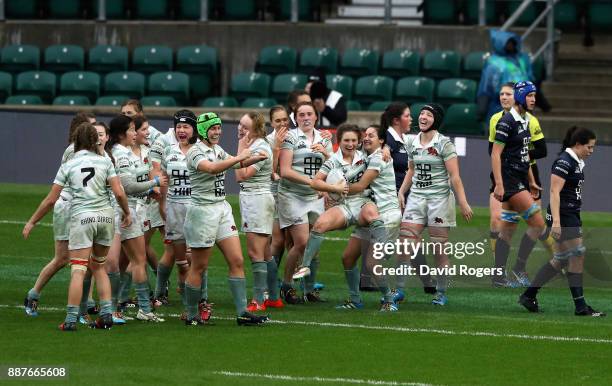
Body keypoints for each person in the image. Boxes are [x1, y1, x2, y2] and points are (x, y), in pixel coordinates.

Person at [23, 122, 131, 331]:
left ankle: (71, 320)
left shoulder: (69, 165)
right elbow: (119, 193)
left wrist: (32, 221)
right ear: (94, 140)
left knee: (78, 270)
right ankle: (106, 314)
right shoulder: (105, 161)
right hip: (106, 217)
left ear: (76, 141)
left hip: (83, 218)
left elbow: (50, 200)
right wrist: (127, 213)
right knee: (99, 267)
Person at [182, 112, 269, 326]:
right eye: (213, 128)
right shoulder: (194, 152)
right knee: (199, 267)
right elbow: (212, 169)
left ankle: (241, 313)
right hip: (202, 212)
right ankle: (191, 314)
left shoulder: (216, 149)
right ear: (203, 130)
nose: (217, 132)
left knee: (237, 260)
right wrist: (241, 157)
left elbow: (233, 163)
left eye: (219, 128)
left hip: (221, 209)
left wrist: (255, 158)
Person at [519, 127, 605, 317]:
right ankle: (580, 306)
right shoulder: (564, 162)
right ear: (577, 144)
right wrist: (556, 222)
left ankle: (528, 295)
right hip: (564, 216)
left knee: (562, 258)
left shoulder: (576, 161)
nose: (591, 151)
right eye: (589, 147)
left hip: (569, 213)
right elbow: (554, 192)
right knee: (577, 255)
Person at [398, 103, 473, 306]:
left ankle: (440, 293)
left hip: (439, 201)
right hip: (416, 198)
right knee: (405, 244)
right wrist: (402, 192)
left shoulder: (444, 144)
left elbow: (455, 176)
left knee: (439, 249)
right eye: (421, 113)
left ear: (436, 120)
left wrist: (463, 203)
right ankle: (399, 290)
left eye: (428, 115)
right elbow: (411, 170)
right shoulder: (412, 142)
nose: (423, 117)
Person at [23, 112, 96, 317]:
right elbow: (57, 192)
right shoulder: (74, 152)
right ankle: (33, 294)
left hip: (84, 209)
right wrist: (32, 221)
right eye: (91, 127)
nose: (96, 130)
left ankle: (87, 301)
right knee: (62, 258)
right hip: (68, 207)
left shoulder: (95, 152)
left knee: (89, 259)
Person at [488, 82, 554, 287]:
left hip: (520, 180)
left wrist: (532, 181)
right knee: (538, 224)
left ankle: (498, 277)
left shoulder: (525, 120)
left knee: (507, 229)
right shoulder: (507, 121)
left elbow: (523, 154)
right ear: (521, 96)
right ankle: (518, 269)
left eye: (535, 96)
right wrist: (499, 184)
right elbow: (495, 154)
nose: (534, 99)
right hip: (510, 181)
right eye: (530, 95)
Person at [110, 114, 168, 322]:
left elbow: (133, 182)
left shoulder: (122, 153)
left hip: (127, 209)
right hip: (126, 212)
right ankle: (142, 308)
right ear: (122, 134)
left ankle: (115, 306)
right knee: (137, 260)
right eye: (132, 130)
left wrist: (147, 188)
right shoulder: (122, 154)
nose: (135, 134)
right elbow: (127, 187)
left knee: (122, 261)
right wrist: (154, 182)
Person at [277, 102, 333, 304]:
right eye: (301, 114)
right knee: (301, 242)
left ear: (316, 117)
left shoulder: (324, 138)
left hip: (315, 198)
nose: (306, 117)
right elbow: (285, 171)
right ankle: (287, 286)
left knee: (313, 247)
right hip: (292, 195)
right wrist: (314, 182)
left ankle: (309, 290)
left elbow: (332, 166)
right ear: (296, 118)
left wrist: (324, 185)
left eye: (309, 114)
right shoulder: (291, 137)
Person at [380, 102, 435, 298]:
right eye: (407, 116)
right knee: (401, 241)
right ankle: (421, 280)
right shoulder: (388, 138)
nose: (411, 119)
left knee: (409, 239)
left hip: (407, 197)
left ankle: (419, 281)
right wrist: (384, 148)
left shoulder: (405, 139)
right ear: (396, 120)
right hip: (391, 198)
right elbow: (381, 148)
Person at [235, 112, 278, 312]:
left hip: (257, 200)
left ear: (256, 130)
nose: (240, 129)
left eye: (245, 127)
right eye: (240, 124)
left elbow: (241, 176)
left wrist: (240, 149)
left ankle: (259, 300)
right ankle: (274, 297)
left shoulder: (259, 148)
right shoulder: (255, 145)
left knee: (255, 253)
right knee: (266, 251)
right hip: (253, 199)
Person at [477, 30, 551, 122]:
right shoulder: (493, 63)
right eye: (508, 43)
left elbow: (530, 82)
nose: (511, 45)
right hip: (500, 108)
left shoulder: (522, 60)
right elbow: (486, 88)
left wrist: (542, 102)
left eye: (512, 43)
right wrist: (482, 109)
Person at [266, 105, 290, 305]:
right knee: (277, 242)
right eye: (278, 121)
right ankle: (269, 286)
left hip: (293, 195)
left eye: (285, 119)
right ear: (271, 123)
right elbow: (269, 172)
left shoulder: (295, 137)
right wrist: (277, 147)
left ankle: (291, 286)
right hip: (274, 196)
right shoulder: (267, 141)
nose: (282, 123)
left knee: (295, 242)